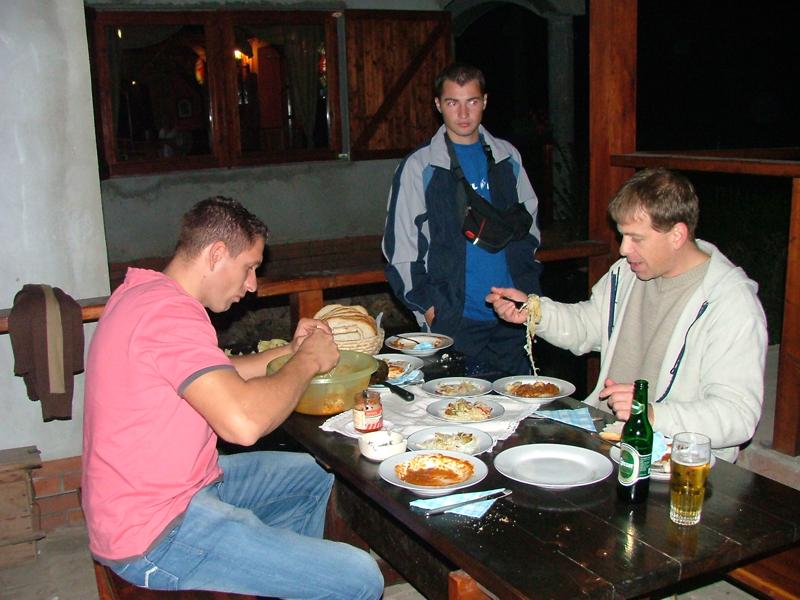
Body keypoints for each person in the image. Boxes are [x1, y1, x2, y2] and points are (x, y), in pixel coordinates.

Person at [81, 197, 383, 599]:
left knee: (315, 475)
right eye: (249, 267)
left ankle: (289, 579)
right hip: (156, 533)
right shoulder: (168, 314)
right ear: (216, 254)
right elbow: (243, 424)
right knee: (360, 576)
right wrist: (308, 361)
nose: (253, 284)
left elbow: (222, 374)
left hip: (166, 493)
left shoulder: (144, 293)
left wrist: (291, 352)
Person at [487, 168, 767, 462]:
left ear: (677, 235)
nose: (623, 249)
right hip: (604, 437)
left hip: (674, 458)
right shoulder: (627, 274)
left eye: (636, 238)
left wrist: (652, 414)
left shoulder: (731, 303)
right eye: (622, 236)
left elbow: (738, 416)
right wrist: (535, 312)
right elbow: (587, 326)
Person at [382, 62, 542, 376]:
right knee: (456, 402)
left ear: (485, 101)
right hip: (454, 318)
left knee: (520, 400)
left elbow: (530, 227)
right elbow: (401, 247)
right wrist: (429, 308)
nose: (464, 113)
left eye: (472, 101)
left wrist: (528, 283)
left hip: (512, 314)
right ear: (438, 105)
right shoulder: (420, 166)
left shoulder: (507, 157)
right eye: (453, 102)